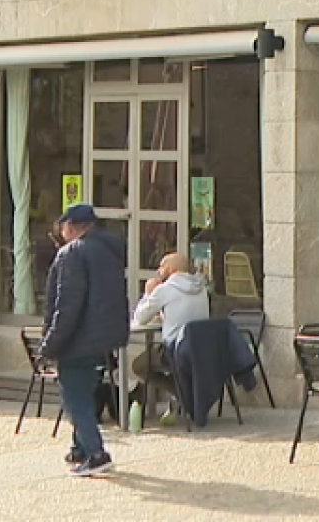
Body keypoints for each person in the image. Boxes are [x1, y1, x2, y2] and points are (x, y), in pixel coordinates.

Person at [41, 204, 131, 478]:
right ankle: (79, 448)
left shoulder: (72, 253)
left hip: (79, 338)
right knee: (86, 392)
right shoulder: (109, 251)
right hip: (104, 337)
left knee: (74, 398)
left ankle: (96, 454)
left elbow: (67, 304)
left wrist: (50, 344)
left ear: (71, 226)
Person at [128, 252, 210, 413]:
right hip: (200, 348)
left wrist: (148, 293)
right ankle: (186, 391)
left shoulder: (165, 289)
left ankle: (181, 392)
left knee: (139, 365)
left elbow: (140, 318)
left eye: (162, 266)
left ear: (172, 269)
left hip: (175, 350)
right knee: (154, 358)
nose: (159, 270)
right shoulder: (201, 288)